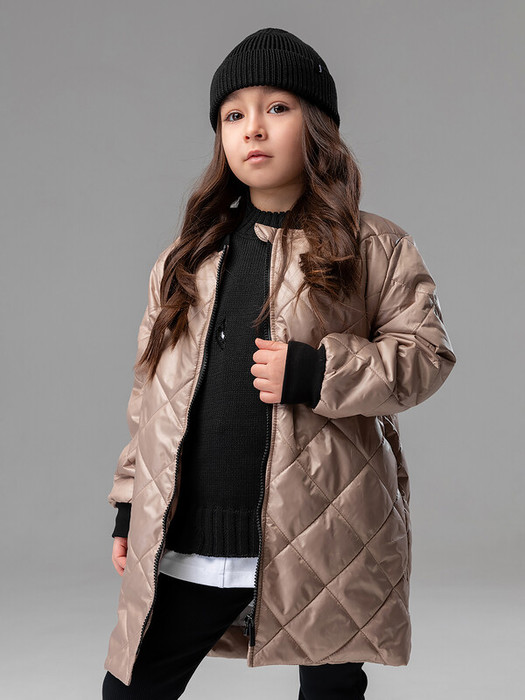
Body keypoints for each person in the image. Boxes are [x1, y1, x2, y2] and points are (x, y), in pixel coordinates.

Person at [102, 26, 457, 699]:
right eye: (233, 115)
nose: (253, 129)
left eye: (276, 107)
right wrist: (128, 506)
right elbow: (150, 398)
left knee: (329, 690)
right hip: (194, 532)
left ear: (316, 125)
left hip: (327, 532)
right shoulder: (188, 258)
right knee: (132, 687)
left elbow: (426, 355)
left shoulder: (373, 247)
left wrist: (318, 374)